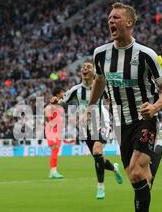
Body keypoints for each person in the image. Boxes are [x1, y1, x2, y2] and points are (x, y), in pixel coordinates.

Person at [89, 2, 162, 212]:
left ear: (129, 22)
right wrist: (91, 105)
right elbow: (99, 80)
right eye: (109, 18)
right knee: (138, 178)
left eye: (116, 17)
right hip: (120, 121)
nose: (110, 21)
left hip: (144, 117)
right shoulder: (101, 54)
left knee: (137, 173)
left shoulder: (146, 54)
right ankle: (160, 147)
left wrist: (156, 107)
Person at [53, 61, 124, 199]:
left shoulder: (101, 86)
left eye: (88, 66)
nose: (85, 68)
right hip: (85, 126)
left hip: (102, 121)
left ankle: (100, 188)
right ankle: (114, 168)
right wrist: (56, 101)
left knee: (97, 151)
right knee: (98, 158)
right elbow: (63, 102)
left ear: (94, 72)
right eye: (83, 67)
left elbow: (111, 101)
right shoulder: (76, 90)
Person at [45, 86, 66, 179]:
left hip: (57, 130)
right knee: (55, 150)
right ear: (58, 93)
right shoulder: (52, 105)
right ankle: (53, 171)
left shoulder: (59, 104)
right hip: (53, 131)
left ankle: (52, 171)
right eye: (63, 92)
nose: (64, 93)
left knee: (55, 150)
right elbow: (47, 113)